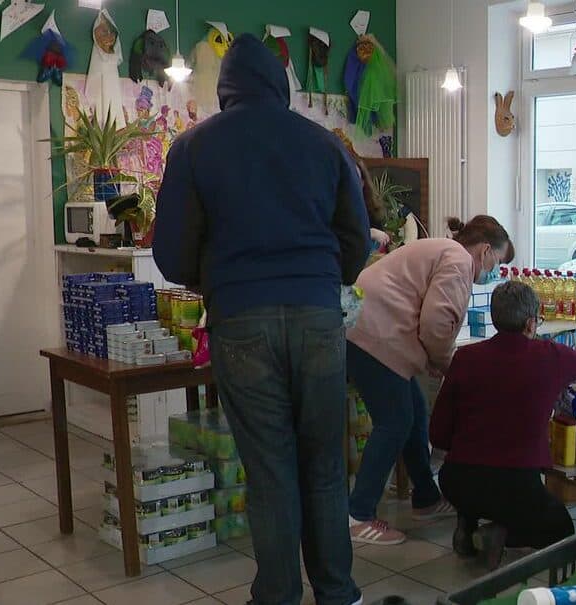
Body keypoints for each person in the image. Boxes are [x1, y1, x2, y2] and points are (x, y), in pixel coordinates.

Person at [153, 33, 370, 605]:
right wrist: (324, 281)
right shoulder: (325, 145)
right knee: (324, 466)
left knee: (271, 472)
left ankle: (276, 595)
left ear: (225, 89)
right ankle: (338, 593)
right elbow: (356, 240)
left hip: (240, 321)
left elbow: (172, 255)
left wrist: (219, 279)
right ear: (281, 84)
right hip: (318, 317)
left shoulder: (193, 148)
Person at [346, 216, 514, 545]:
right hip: (376, 334)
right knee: (395, 422)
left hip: (372, 327)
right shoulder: (459, 261)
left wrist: (434, 358)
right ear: (484, 251)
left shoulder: (446, 251)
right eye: (499, 260)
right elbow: (437, 323)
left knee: (414, 412)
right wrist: (444, 362)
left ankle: (426, 497)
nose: (498, 270)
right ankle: (358, 515)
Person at [430, 280, 576, 569]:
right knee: (561, 529)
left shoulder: (466, 358)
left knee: (483, 491)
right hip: (517, 485)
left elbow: (439, 433)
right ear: (532, 323)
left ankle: (468, 522)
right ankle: (502, 533)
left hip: (457, 480)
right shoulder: (549, 356)